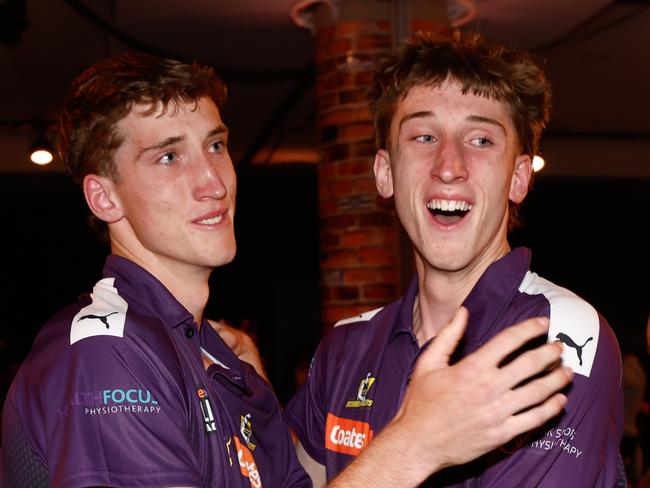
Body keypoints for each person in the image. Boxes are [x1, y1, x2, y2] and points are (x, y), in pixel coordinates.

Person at [1, 51, 572, 488]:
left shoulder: (219, 363)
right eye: (169, 157)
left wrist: (257, 396)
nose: (214, 182)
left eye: (216, 146)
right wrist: (415, 445)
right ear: (104, 199)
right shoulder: (109, 353)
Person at [284, 30, 624, 487]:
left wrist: (411, 448)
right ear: (386, 173)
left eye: (481, 140)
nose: (449, 165)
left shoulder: (559, 337)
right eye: (424, 136)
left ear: (519, 178)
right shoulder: (346, 346)